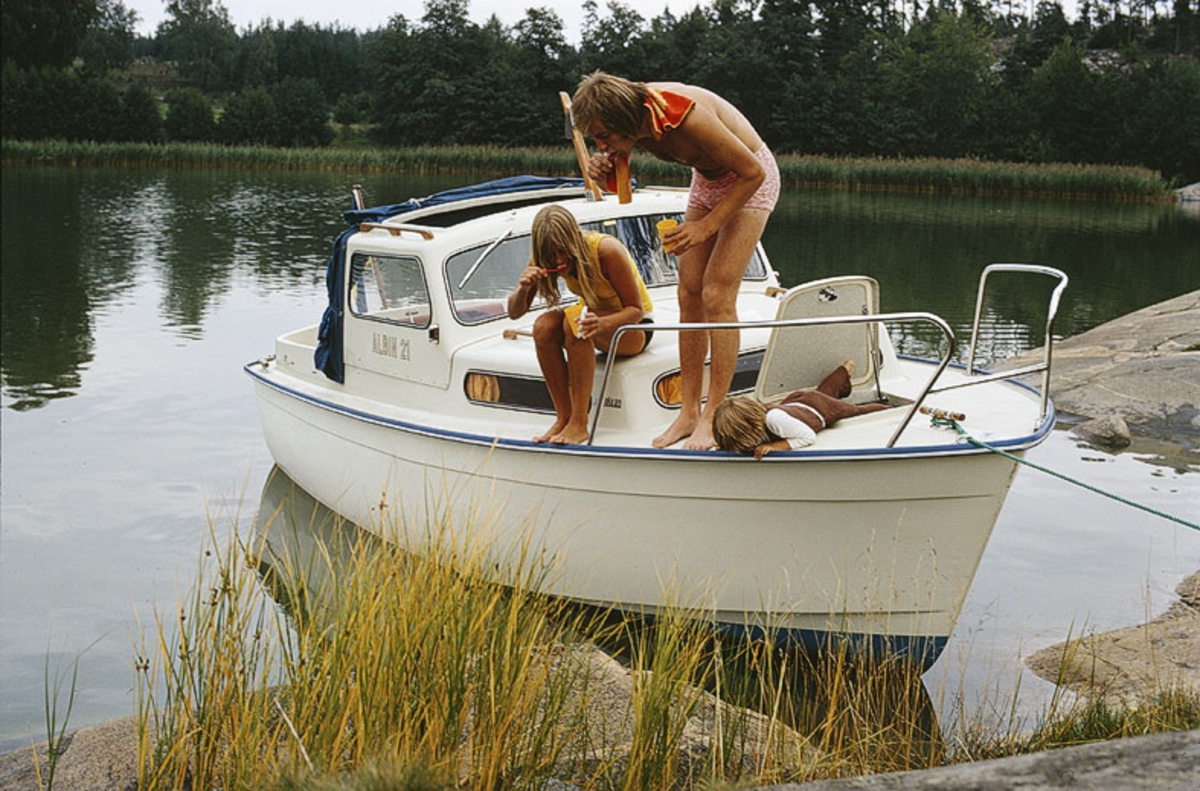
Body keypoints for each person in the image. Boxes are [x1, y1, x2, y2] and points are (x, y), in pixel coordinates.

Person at [571, 71, 781, 450]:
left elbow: (754, 172)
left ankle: (715, 414)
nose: (600, 144)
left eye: (603, 136)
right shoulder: (635, 123)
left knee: (716, 294)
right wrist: (605, 174)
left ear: (623, 120)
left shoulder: (685, 115)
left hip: (749, 178)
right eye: (595, 139)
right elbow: (621, 193)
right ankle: (688, 413)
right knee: (689, 293)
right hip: (708, 179)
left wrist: (708, 227)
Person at [507, 204, 654, 445]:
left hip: (634, 329)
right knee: (543, 327)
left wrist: (603, 323)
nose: (558, 260)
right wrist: (523, 288)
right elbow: (514, 312)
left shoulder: (606, 250)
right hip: (594, 321)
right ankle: (563, 417)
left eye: (563, 252)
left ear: (573, 240)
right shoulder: (542, 258)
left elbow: (636, 311)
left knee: (574, 322)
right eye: (551, 255)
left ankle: (579, 423)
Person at [712, 361, 891, 459]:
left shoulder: (775, 421)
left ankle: (890, 407)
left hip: (819, 410)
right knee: (826, 391)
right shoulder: (756, 423)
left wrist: (776, 446)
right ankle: (844, 371)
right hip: (796, 404)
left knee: (855, 411)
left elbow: (808, 436)